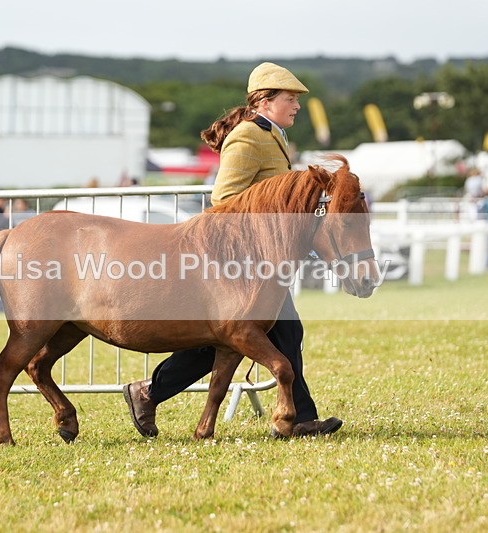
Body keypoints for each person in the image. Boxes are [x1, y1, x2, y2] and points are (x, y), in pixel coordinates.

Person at [123, 62, 343, 438]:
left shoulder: (273, 134)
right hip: (239, 261)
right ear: (265, 100)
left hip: (261, 263)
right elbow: (223, 198)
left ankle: (149, 392)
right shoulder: (247, 137)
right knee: (259, 334)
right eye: (291, 98)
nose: (297, 106)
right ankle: (149, 391)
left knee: (264, 335)